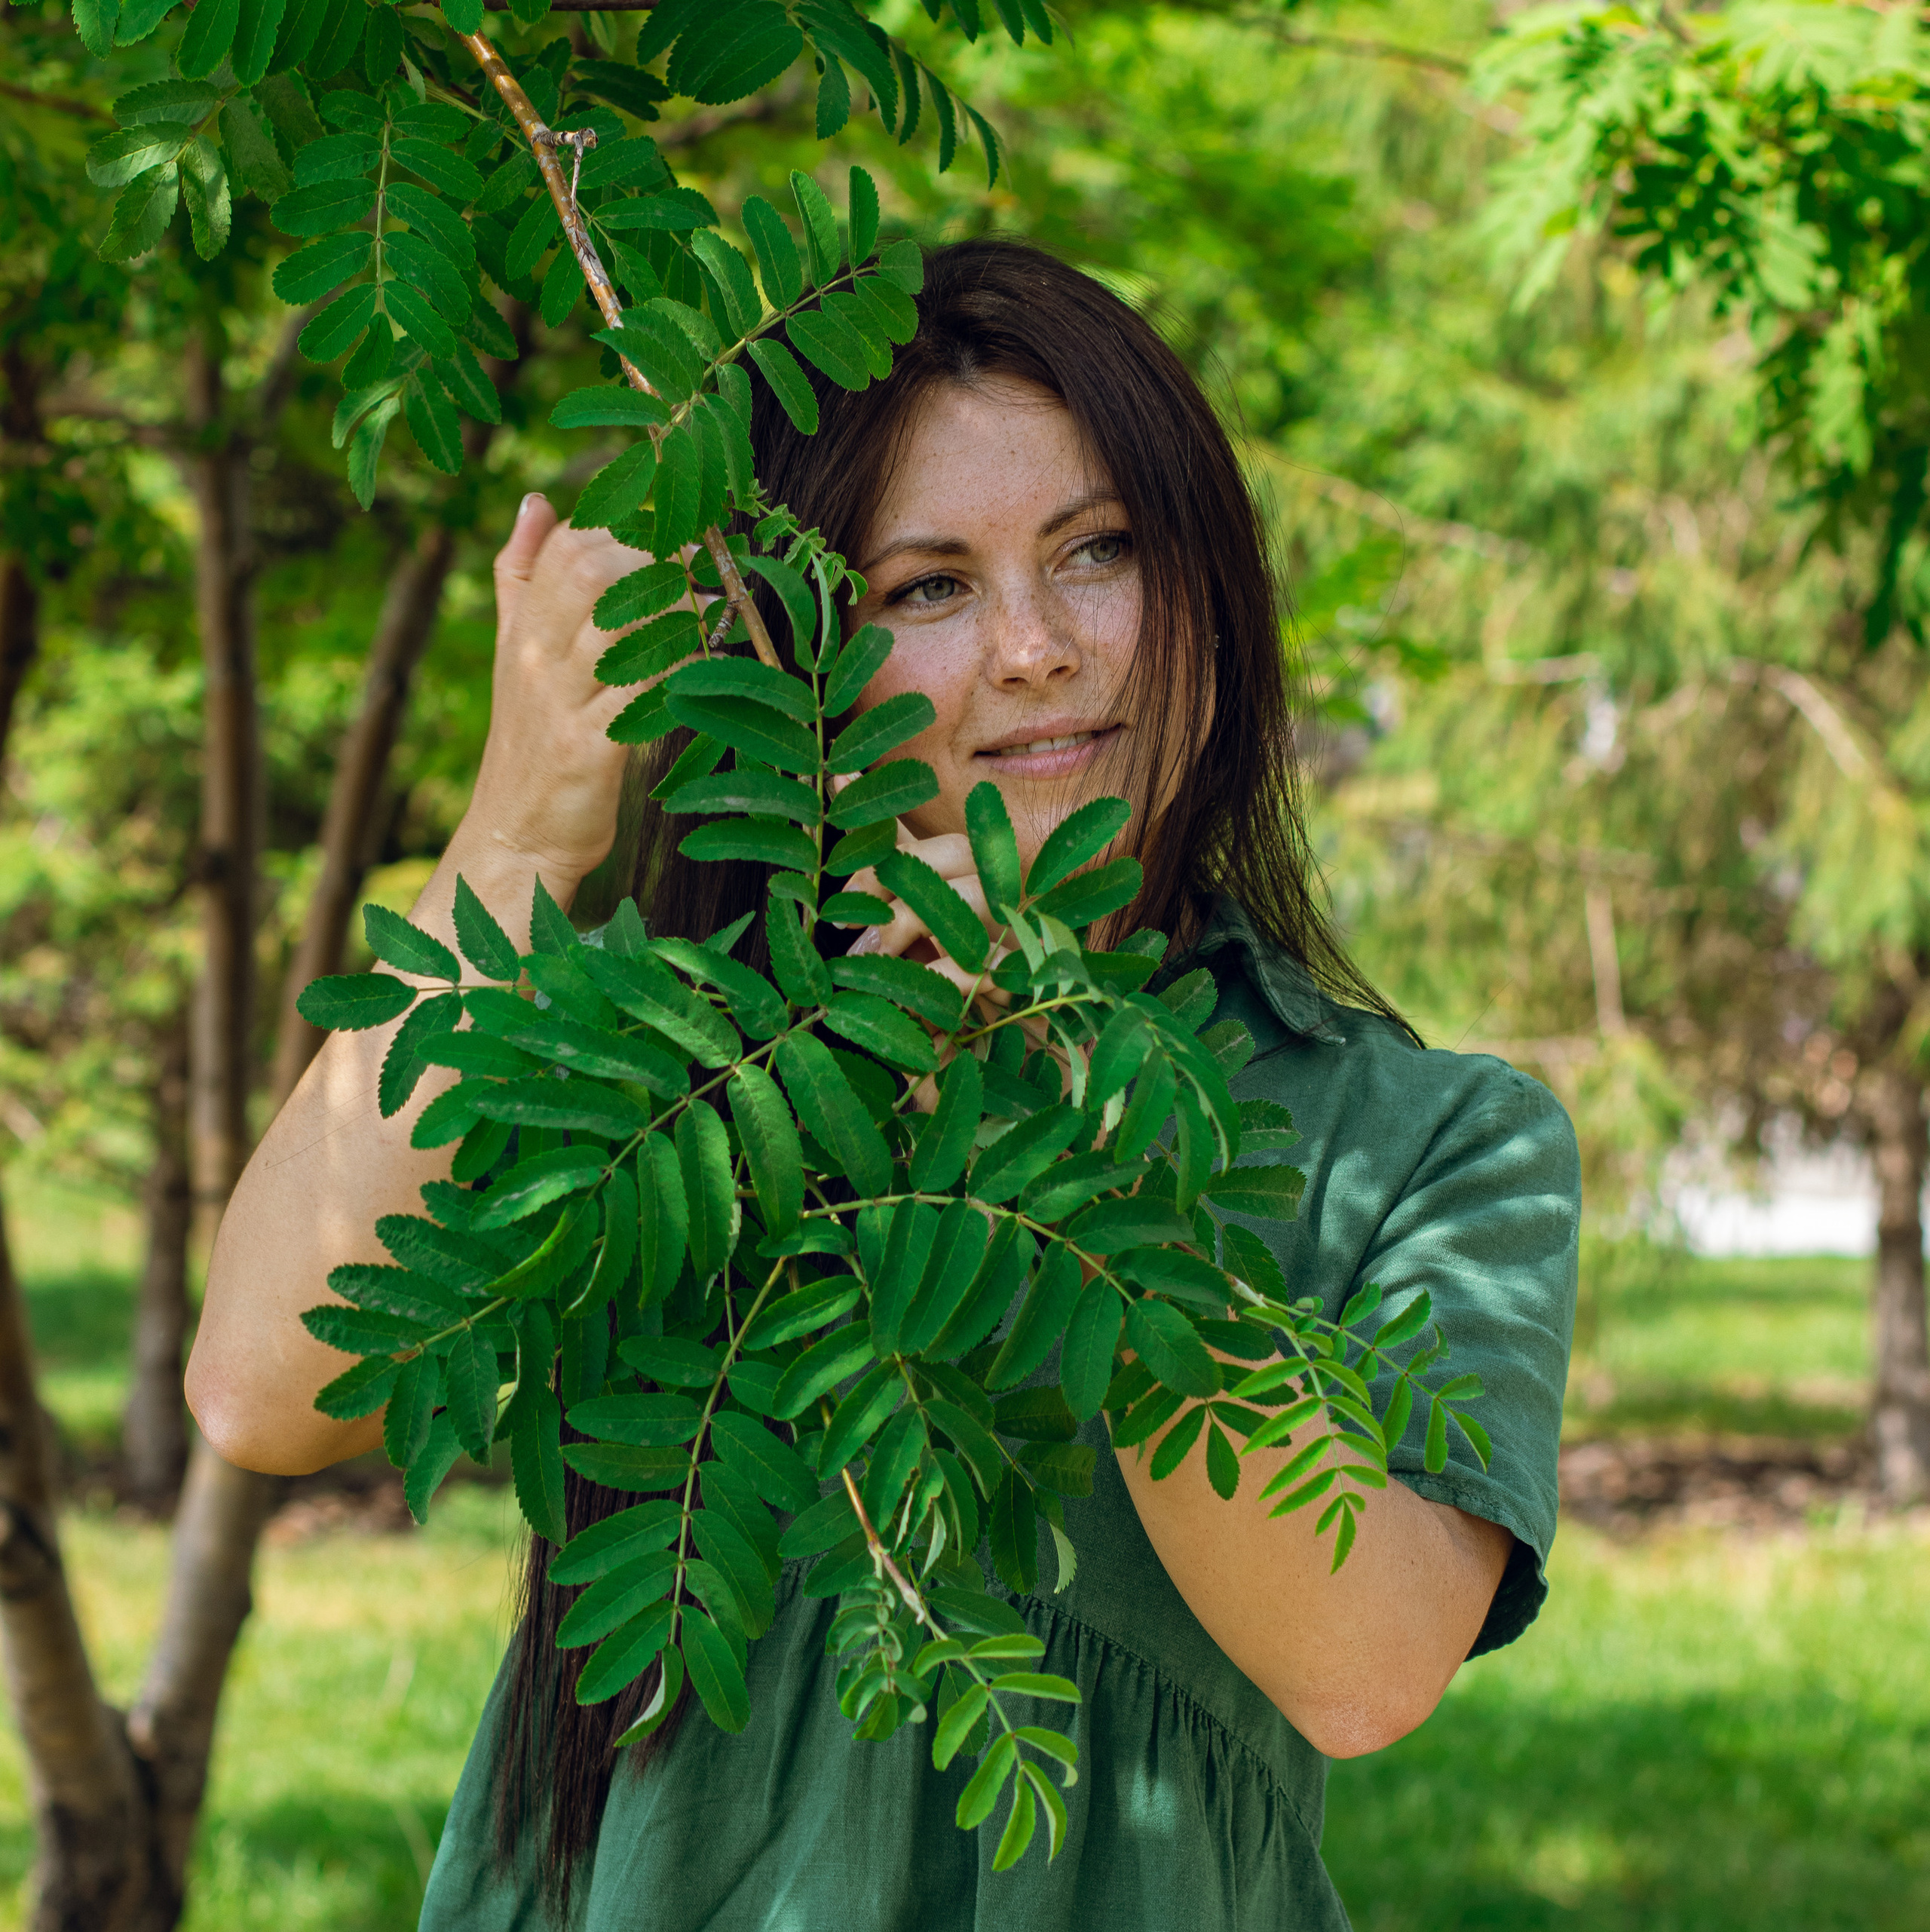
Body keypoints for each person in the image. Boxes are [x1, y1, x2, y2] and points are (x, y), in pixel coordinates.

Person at [188, 239, 1579, 1931]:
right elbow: (270, 1388)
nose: (1036, 649)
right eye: (927, 587)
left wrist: (1066, 1096)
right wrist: (526, 818)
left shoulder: (1432, 1138)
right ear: (797, 660)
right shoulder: (665, 1060)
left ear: (1206, 583)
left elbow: (1363, 1666)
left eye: (1099, 552)